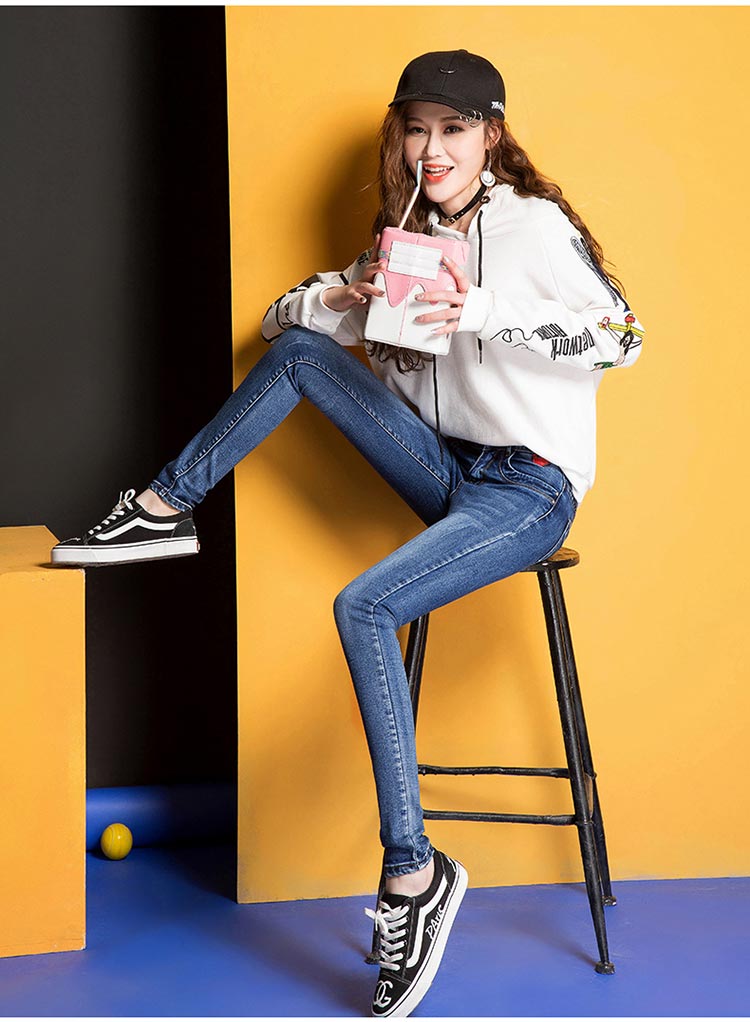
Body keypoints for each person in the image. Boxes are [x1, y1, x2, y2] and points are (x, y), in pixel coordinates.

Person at [51, 49, 644, 1017]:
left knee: (363, 605)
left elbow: (623, 335)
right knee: (298, 351)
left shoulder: (531, 227)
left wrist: (483, 310)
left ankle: (414, 873)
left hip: (529, 490)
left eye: (454, 129)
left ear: (490, 137)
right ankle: (162, 508)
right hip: (448, 471)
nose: (432, 149)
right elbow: (279, 318)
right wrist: (348, 295)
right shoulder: (403, 237)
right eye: (417, 129)